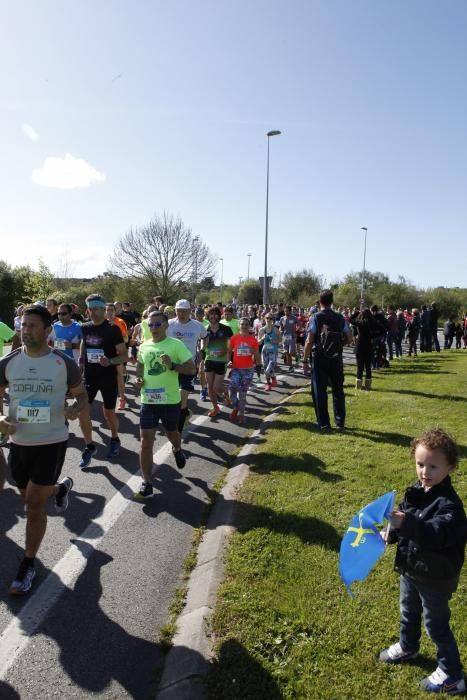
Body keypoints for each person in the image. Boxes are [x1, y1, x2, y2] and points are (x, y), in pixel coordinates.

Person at [0, 304, 87, 594]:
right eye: (23, 325)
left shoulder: (64, 363)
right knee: (29, 495)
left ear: (48, 330)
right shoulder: (8, 363)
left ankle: (28, 564)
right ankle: (59, 489)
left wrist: (75, 408)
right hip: (19, 442)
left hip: (52, 441)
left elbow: (81, 394)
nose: (25, 330)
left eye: (32, 325)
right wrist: (0, 419)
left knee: (33, 505)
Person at [380, 428, 466, 695]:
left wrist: (407, 523)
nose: (424, 472)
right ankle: (408, 646)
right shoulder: (418, 490)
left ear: (450, 467)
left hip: (436, 577)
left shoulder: (449, 505)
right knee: (408, 611)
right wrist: (392, 532)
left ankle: (452, 674)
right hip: (411, 568)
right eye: (420, 464)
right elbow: (407, 518)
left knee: (435, 624)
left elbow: (435, 535)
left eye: (433, 466)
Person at [133, 310, 195, 500]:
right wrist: (138, 378)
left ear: (166, 326)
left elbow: (192, 368)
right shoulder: (144, 345)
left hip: (169, 401)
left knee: (173, 434)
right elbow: (140, 364)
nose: (153, 328)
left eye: (157, 324)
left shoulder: (175, 345)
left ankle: (177, 449)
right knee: (145, 443)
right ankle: (147, 483)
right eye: (150, 325)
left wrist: (173, 366)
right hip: (148, 401)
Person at [78, 294, 127, 468]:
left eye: (98, 309)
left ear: (103, 310)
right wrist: (81, 364)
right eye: (91, 309)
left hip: (108, 378)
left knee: (108, 413)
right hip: (90, 377)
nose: (94, 312)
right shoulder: (84, 327)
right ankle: (90, 446)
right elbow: (84, 344)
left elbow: (124, 355)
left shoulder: (112, 329)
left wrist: (110, 361)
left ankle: (114, 439)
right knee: (82, 411)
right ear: (88, 310)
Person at [303, 289, 353, 430]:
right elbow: (350, 338)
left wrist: (305, 360)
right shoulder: (340, 317)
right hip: (336, 357)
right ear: (332, 302)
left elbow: (309, 341)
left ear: (319, 302)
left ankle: (324, 423)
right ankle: (340, 422)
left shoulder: (315, 318)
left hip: (319, 357)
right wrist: (338, 345)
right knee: (338, 390)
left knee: (320, 391)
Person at [167, 299, 207, 432]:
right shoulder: (169, 324)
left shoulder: (197, 325)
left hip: (189, 366)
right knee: (174, 396)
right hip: (172, 366)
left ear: (190, 311)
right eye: (178, 311)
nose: (181, 314)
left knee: (182, 395)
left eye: (184, 311)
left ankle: (179, 425)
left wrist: (201, 350)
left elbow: (205, 337)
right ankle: (184, 414)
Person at [202, 306, 233, 418]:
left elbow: (231, 345)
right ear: (208, 316)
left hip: (221, 361)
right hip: (209, 360)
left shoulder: (226, 329)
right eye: (211, 314)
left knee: (217, 387)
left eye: (216, 314)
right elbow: (203, 346)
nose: (213, 316)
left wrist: (226, 353)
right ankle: (215, 408)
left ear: (219, 316)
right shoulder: (205, 329)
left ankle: (225, 393)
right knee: (210, 386)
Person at [228, 318, 261, 424]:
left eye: (246, 324)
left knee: (242, 394)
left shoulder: (253, 340)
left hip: (248, 370)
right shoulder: (234, 338)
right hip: (236, 369)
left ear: (249, 326)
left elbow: (256, 355)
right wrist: (229, 361)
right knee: (231, 392)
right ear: (239, 325)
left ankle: (242, 415)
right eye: (242, 324)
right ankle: (236, 407)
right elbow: (229, 351)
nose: (244, 326)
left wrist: (259, 364)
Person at [258, 314, 282, 390]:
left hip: (273, 351)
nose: (268, 319)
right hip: (265, 351)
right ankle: (268, 384)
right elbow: (258, 343)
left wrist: (275, 341)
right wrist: (262, 338)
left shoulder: (275, 330)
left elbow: (281, 340)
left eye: (270, 318)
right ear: (264, 319)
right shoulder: (262, 330)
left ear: (272, 320)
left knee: (269, 368)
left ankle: (273, 377)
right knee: (265, 368)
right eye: (267, 318)